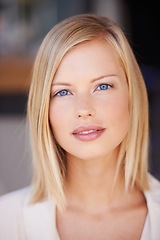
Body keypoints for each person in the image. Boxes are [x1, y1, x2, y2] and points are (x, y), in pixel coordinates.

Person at [0, 13, 160, 240]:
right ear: (44, 110)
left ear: (131, 96)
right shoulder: (5, 220)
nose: (83, 109)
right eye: (63, 92)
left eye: (103, 86)